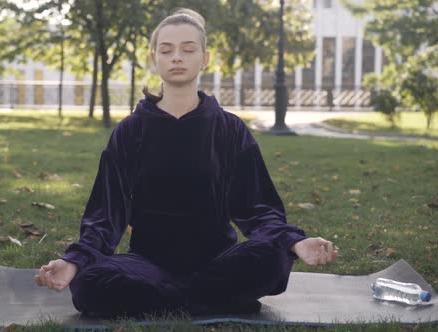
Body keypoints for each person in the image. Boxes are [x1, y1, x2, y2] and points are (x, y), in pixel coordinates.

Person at [35, 8, 338, 318]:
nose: (176, 57)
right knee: (88, 282)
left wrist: (294, 242)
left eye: (187, 49)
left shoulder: (229, 129)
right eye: (166, 50)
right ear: (154, 58)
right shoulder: (131, 131)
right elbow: (105, 216)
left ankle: (173, 299)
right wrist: (75, 261)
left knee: (273, 258)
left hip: (219, 263)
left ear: (204, 58)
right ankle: (211, 298)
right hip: (147, 265)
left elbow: (258, 209)